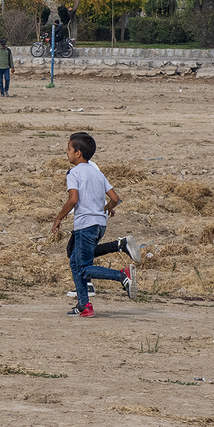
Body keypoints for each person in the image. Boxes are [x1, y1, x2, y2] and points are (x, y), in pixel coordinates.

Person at [51, 131, 135, 317]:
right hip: (100, 225)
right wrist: (107, 208)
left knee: (82, 267)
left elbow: (73, 200)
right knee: (75, 261)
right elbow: (115, 198)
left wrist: (58, 218)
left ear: (78, 153)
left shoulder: (74, 173)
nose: (66, 151)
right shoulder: (98, 174)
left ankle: (122, 275)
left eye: (69, 148)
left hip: (85, 225)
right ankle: (84, 306)